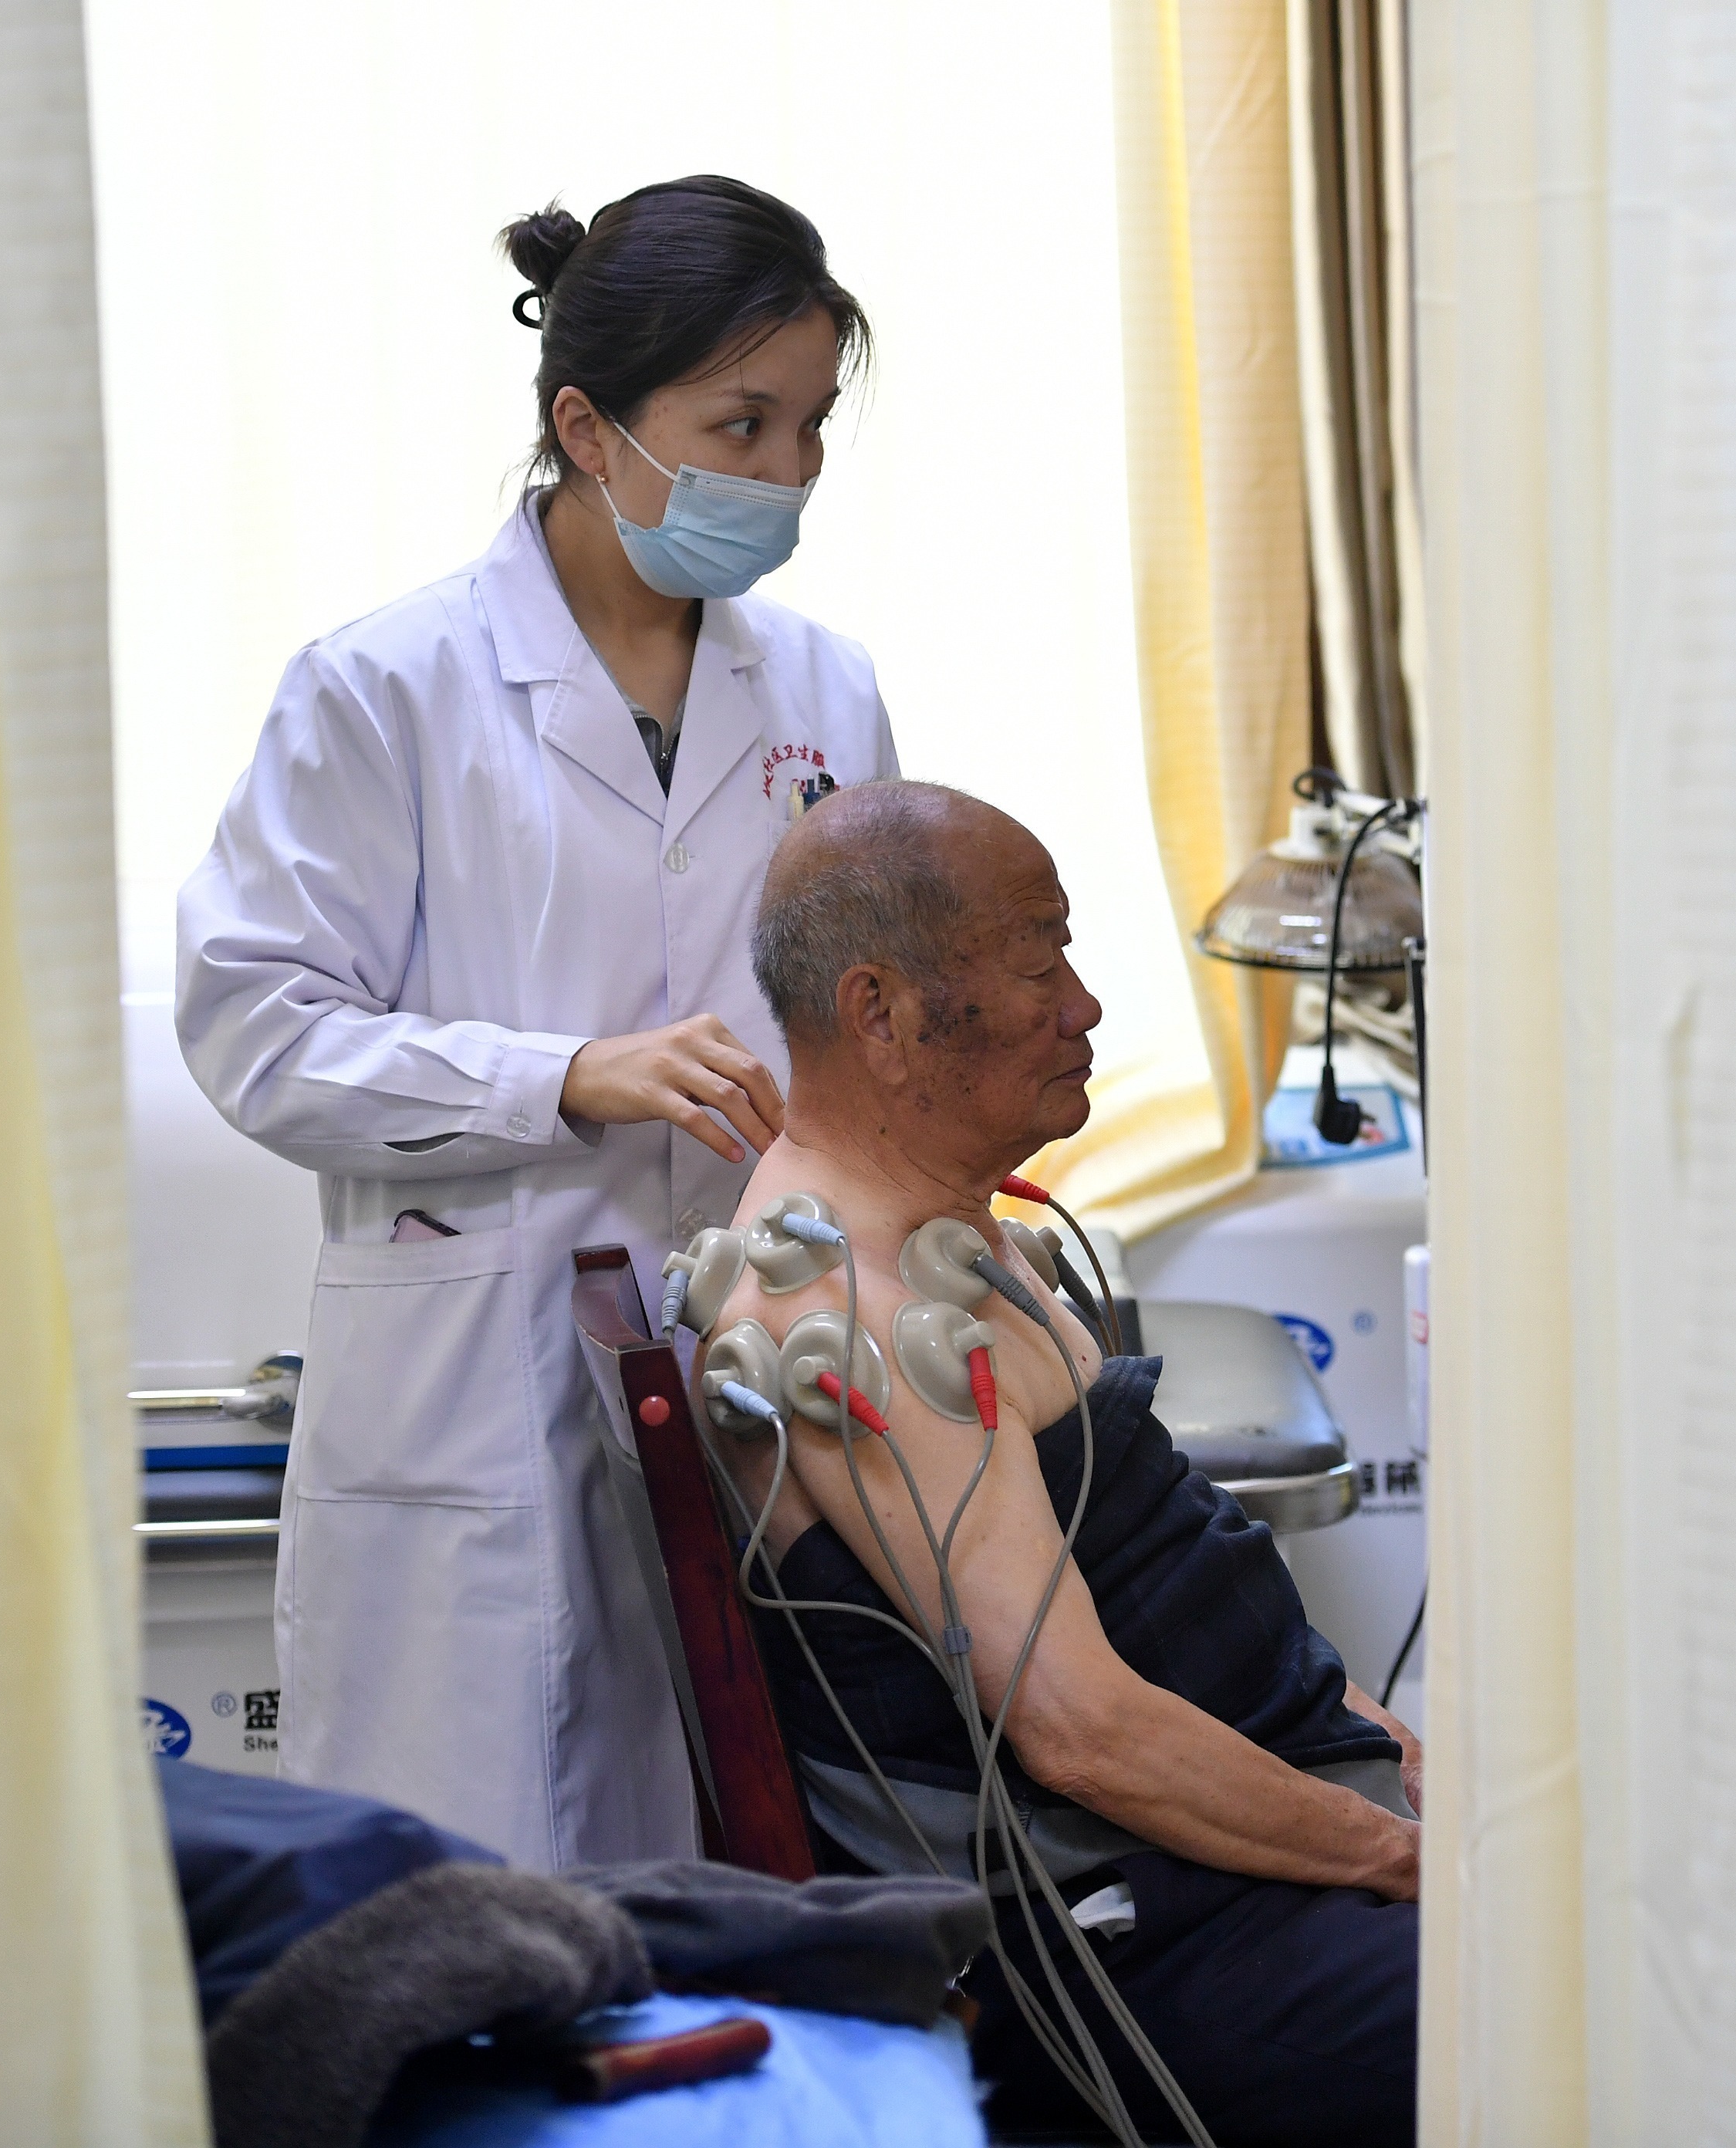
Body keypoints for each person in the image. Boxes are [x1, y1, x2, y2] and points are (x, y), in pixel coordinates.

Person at [177, 177, 894, 1870]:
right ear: (587, 427)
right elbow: (257, 1024)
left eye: (810, 426)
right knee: (476, 1908)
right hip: (475, 1393)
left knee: (746, 1890)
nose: (788, 471)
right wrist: (560, 1077)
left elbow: (864, 1014)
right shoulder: (386, 687)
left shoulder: (825, 691)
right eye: (741, 425)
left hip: (750, 1369)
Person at [702, 780, 1420, 2146]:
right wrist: (1403, 1854)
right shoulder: (848, 1317)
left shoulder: (956, 1242)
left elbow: (1179, 1587)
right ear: (878, 1014)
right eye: (1039, 963)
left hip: (1230, 1871)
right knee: (1616, 2021)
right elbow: (1084, 1734)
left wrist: (1389, 1752)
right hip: (1142, 1945)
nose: (1083, 1006)